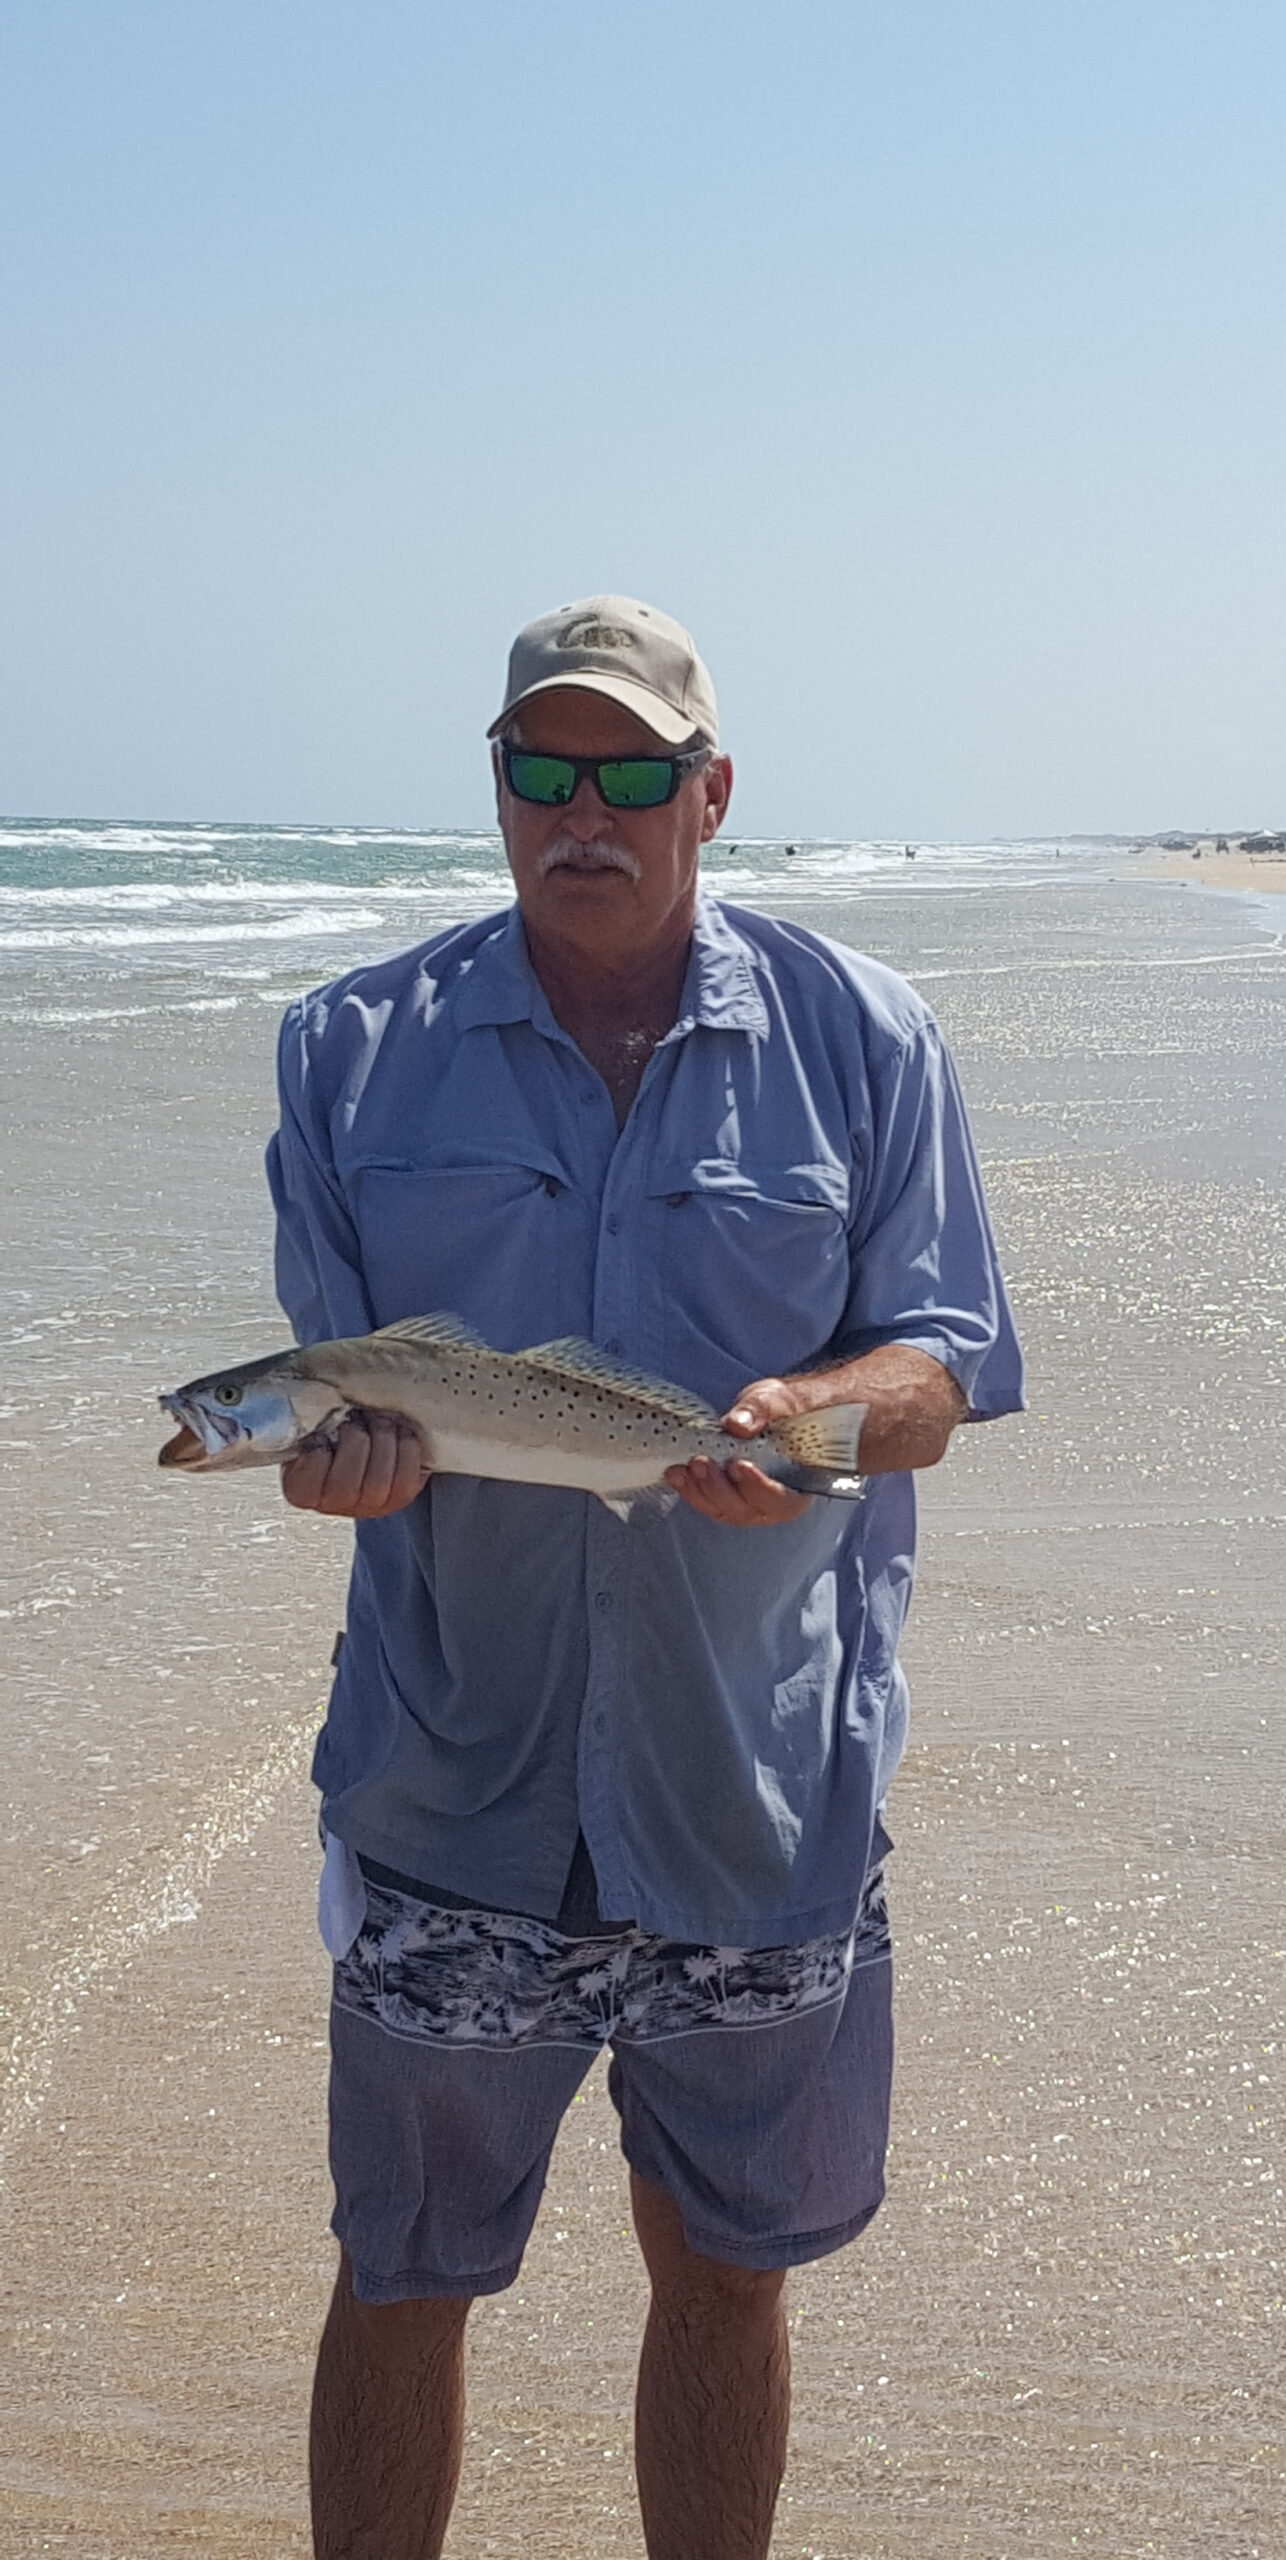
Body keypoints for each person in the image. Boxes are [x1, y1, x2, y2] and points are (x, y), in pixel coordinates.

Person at [267, 594, 1022, 2560]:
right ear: (499, 786)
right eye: (542, 769)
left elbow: (941, 1358)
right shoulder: (347, 1052)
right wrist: (340, 1472)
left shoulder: (867, 1040)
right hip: (453, 1801)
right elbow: (341, 1402)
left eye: (626, 775)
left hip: (753, 1797)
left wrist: (821, 1420)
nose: (579, 811)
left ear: (711, 795)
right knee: (403, 2274)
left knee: (725, 2273)